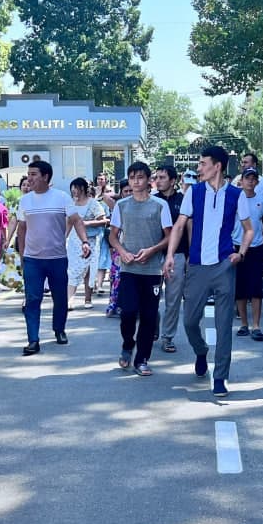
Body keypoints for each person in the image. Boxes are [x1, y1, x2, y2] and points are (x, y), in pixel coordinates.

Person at [163, 146, 254, 398]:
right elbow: (179, 226)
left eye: (203, 163)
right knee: (190, 321)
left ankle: (221, 376)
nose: (199, 168)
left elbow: (249, 229)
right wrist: (170, 255)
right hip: (197, 265)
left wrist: (241, 252)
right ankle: (201, 350)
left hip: (225, 265)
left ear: (218, 166)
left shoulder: (236, 194)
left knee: (224, 325)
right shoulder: (194, 192)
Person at [16, 160, 90, 355]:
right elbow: (21, 230)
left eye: (33, 174)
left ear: (45, 176)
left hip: (57, 258)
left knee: (60, 297)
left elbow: (76, 221)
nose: (29, 178)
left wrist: (85, 241)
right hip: (33, 260)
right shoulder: (25, 201)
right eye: (28, 174)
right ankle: (33, 339)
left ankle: (59, 329)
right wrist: (22, 256)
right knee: (33, 299)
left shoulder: (61, 197)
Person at [109, 162, 173, 376]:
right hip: (128, 268)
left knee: (148, 316)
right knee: (127, 312)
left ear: (148, 180)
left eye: (140, 177)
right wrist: (122, 252)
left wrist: (152, 250)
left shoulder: (160, 205)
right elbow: (113, 236)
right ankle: (128, 344)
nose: (136, 182)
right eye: (132, 177)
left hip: (152, 270)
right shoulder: (121, 205)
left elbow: (169, 236)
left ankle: (142, 359)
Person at [153, 165, 188, 353]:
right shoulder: (151, 200)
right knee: (150, 298)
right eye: (156, 177)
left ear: (173, 181)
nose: (158, 181)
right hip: (153, 255)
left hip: (177, 255)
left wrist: (190, 256)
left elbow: (190, 229)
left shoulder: (183, 201)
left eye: (162, 177)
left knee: (173, 300)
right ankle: (152, 324)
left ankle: (167, 337)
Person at [233, 168, 263, 340]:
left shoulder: (262, 200)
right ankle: (243, 324)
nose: (250, 181)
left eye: (253, 179)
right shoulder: (235, 198)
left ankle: (256, 325)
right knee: (240, 287)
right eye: (247, 178)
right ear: (241, 180)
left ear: (257, 182)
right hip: (236, 245)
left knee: (256, 286)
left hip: (256, 246)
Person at [66, 177, 108, 310]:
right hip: (74, 241)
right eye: (72, 189)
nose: (74, 191)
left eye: (76, 188)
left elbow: (104, 220)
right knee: (73, 269)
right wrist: (63, 238)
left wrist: (87, 223)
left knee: (89, 269)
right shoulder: (71, 204)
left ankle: (88, 298)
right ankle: (69, 299)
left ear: (83, 188)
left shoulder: (93, 203)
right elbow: (68, 223)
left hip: (90, 240)